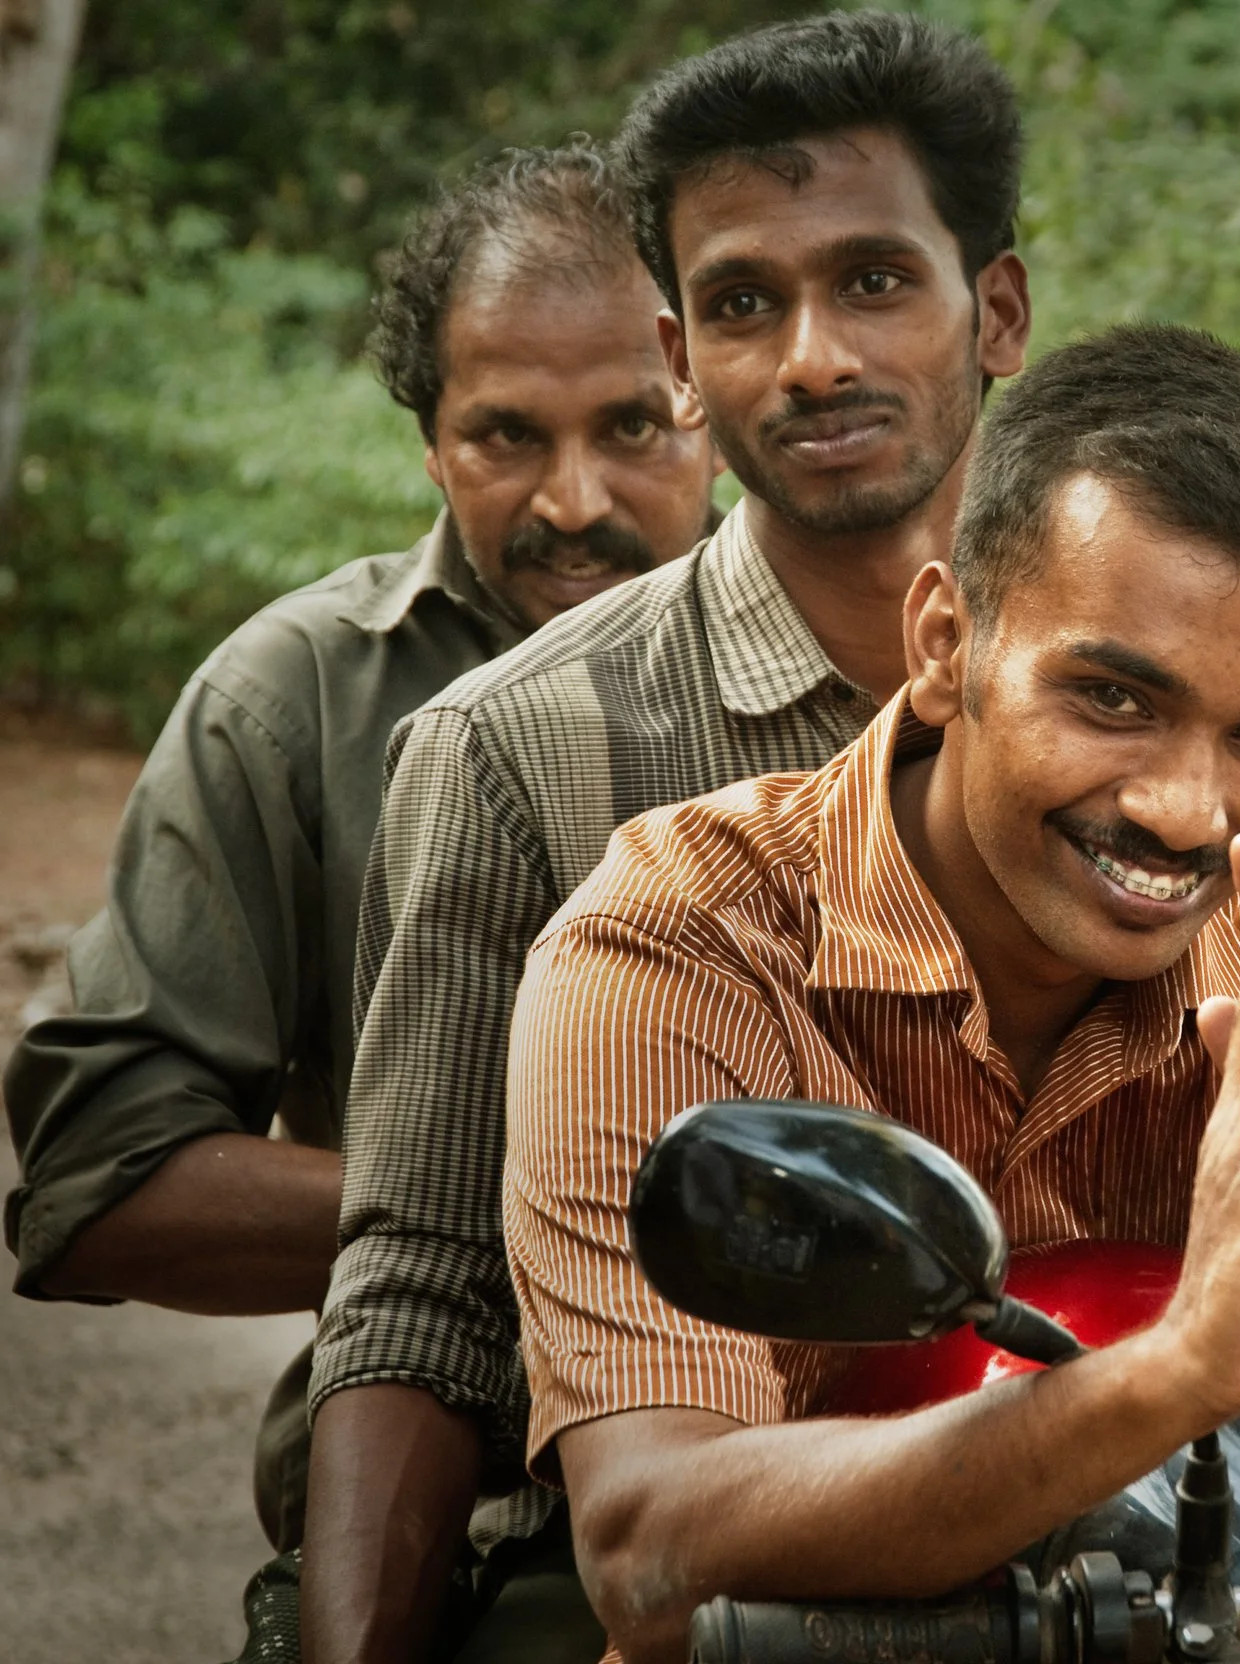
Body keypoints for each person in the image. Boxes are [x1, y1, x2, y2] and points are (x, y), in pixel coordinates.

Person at [501, 324, 1240, 1663]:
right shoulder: (679, 943)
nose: (1188, 810)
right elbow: (647, 1548)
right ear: (944, 642)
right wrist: (1175, 1374)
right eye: (1114, 699)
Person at [299, 15, 1033, 1662]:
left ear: (997, 309)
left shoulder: (1132, 695)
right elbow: (418, 1295)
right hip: (668, 1566)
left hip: (1102, 1526)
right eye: (744, 303)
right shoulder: (513, 748)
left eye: (873, 280)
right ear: (681, 353)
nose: (814, 357)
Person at [1, 139, 714, 1654]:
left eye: (634, 426)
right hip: (443, 1508)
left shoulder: (881, 674)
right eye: (506, 435)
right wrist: (525, 1215)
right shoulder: (295, 701)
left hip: (824, 1488)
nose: (575, 498)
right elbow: (103, 1181)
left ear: (708, 397)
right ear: (428, 441)